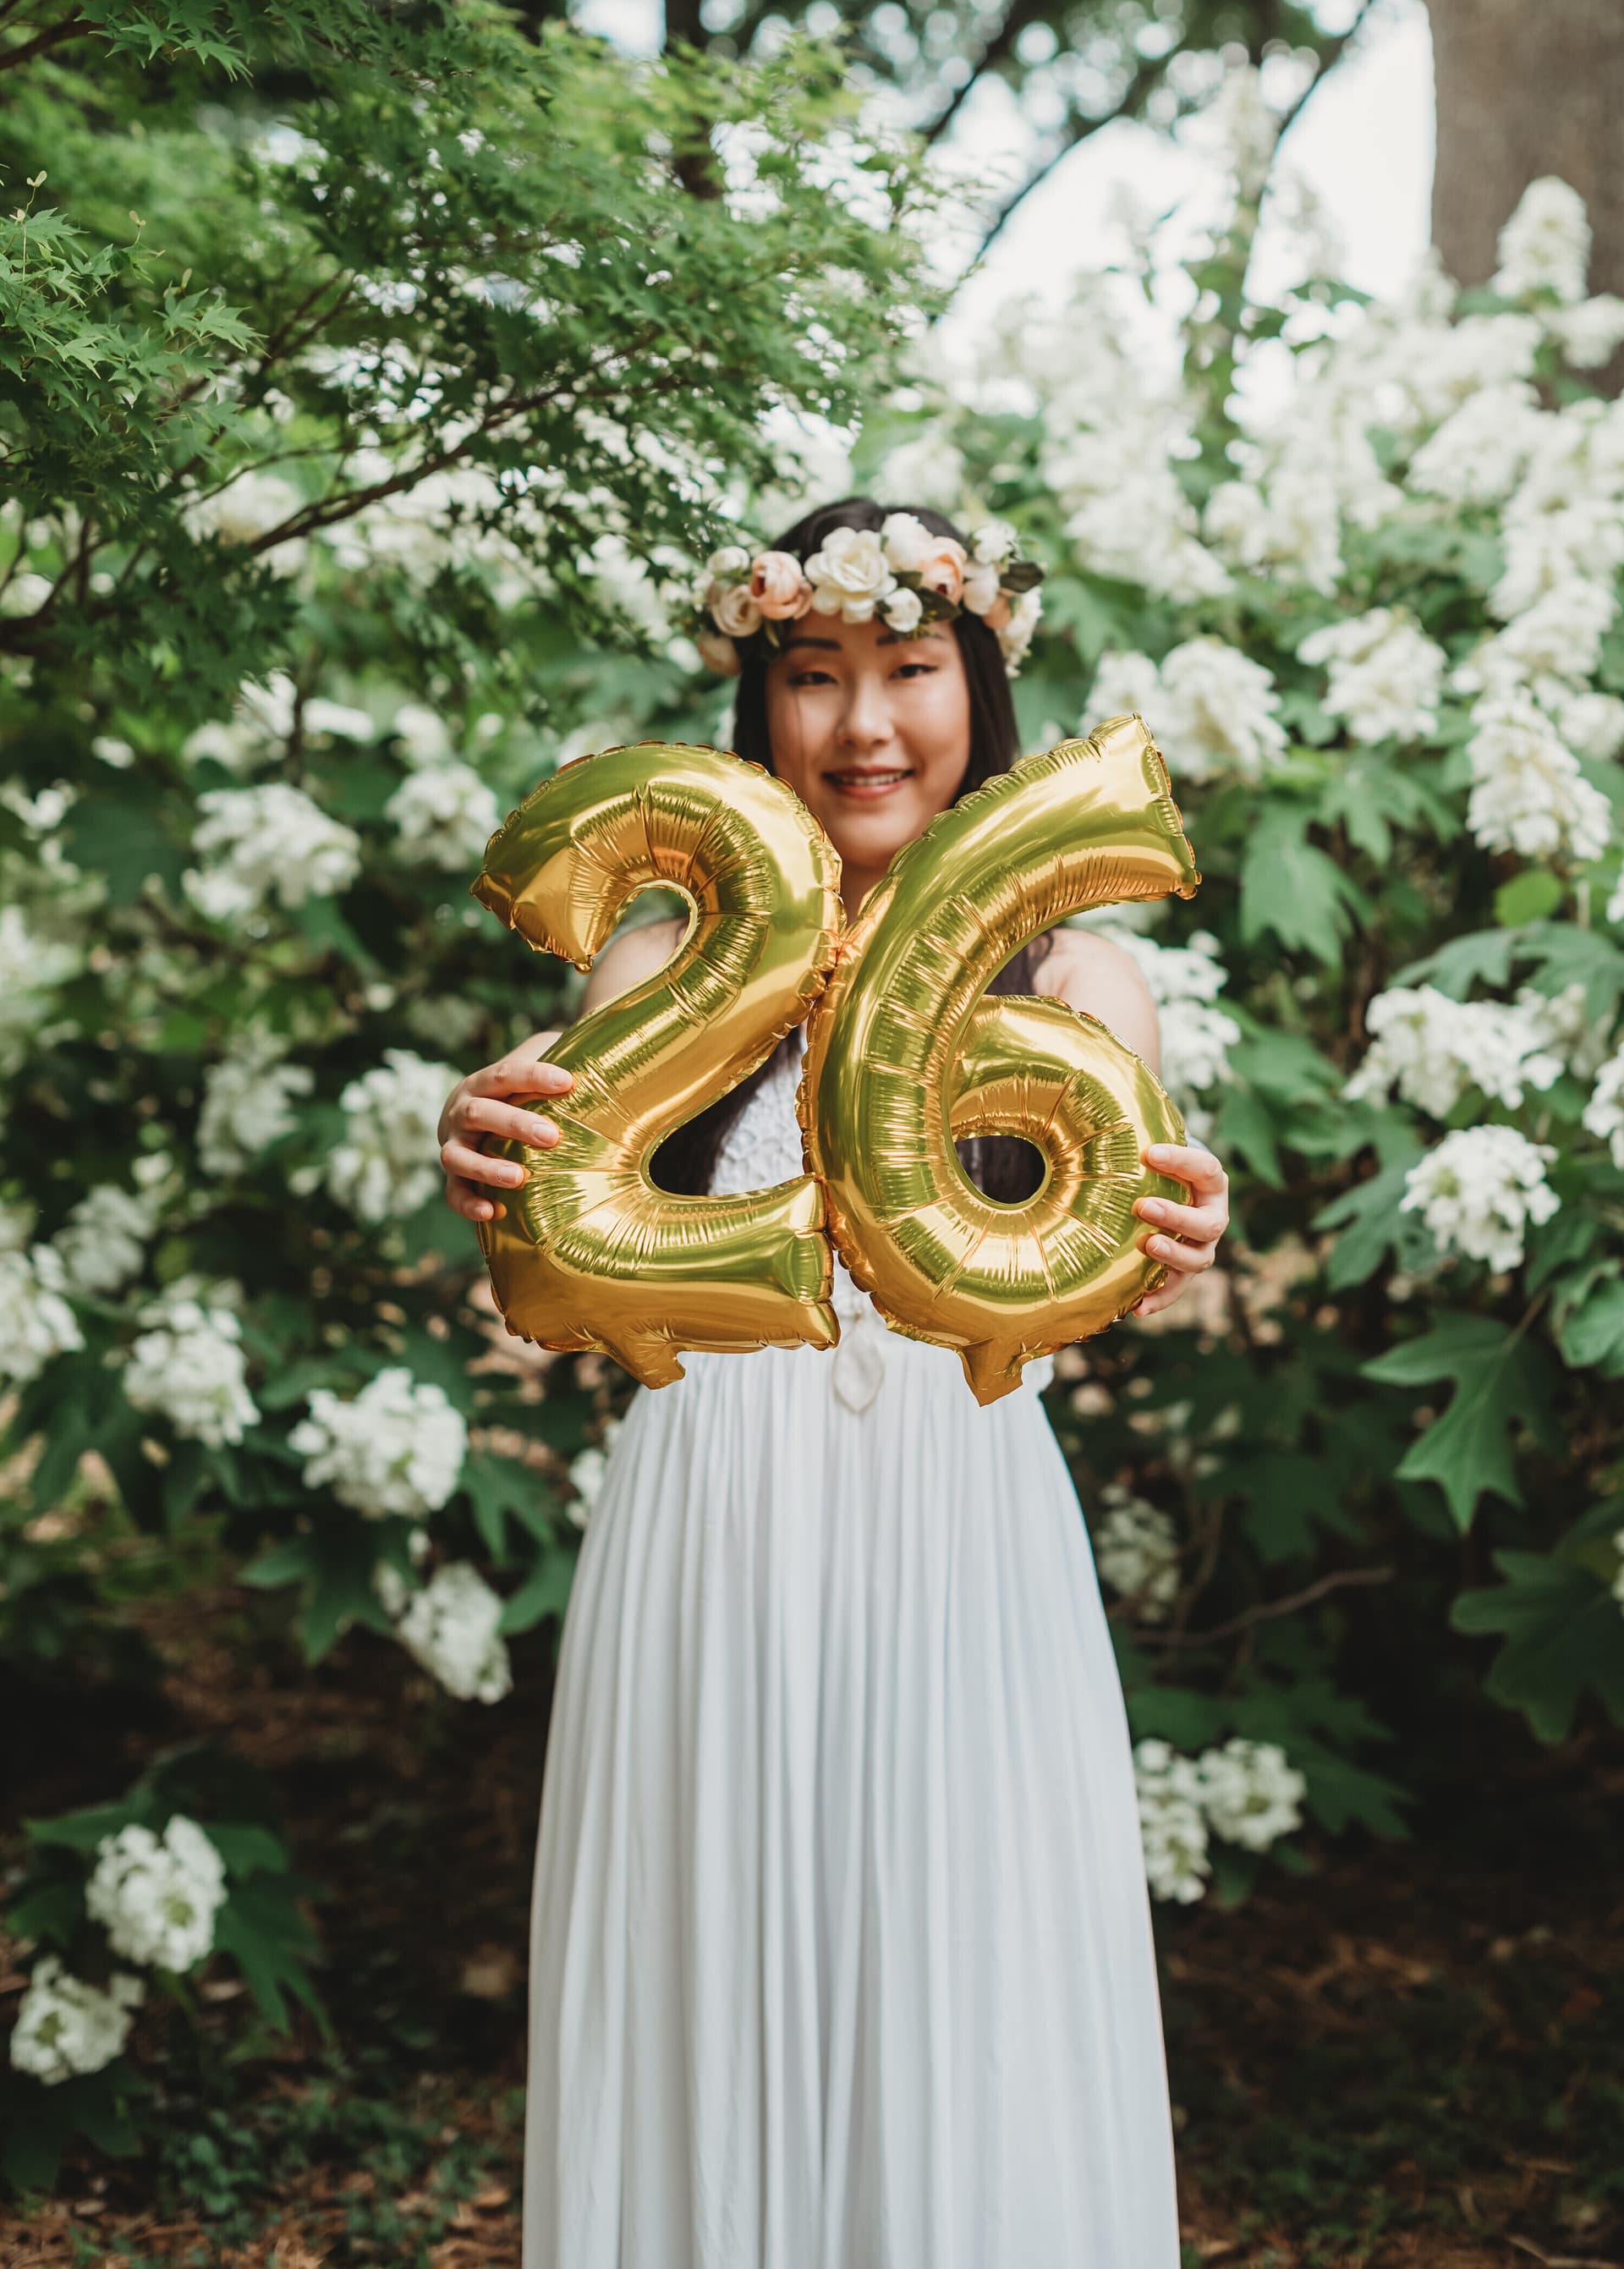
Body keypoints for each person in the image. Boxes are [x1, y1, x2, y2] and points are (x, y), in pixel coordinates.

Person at [437, 498, 1231, 2268]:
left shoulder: (1075, 971)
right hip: (712, 1522)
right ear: (758, 704)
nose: (863, 722)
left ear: (980, 686)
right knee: (712, 1946)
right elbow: (538, 1294)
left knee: (970, 1953)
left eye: (907, 668)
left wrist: (1189, 1233)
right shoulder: (664, 958)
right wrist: (484, 1158)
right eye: (814, 674)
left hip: (965, 1523)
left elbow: (1135, 1296)